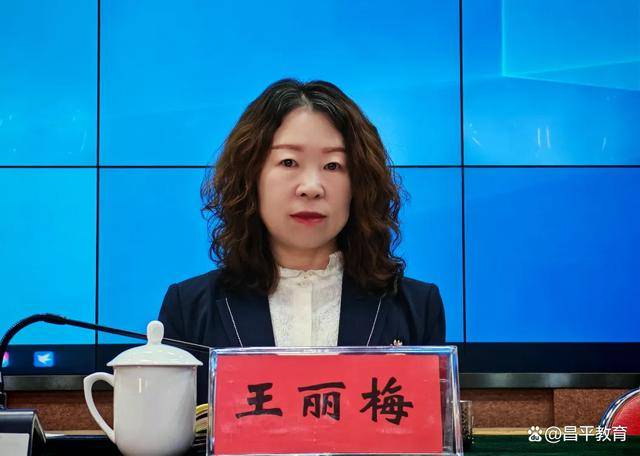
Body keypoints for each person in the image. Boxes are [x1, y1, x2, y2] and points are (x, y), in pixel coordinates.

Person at [158, 79, 445, 403]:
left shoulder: (416, 307)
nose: (311, 187)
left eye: (333, 165)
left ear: (359, 184)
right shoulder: (190, 308)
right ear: (251, 177)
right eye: (289, 162)